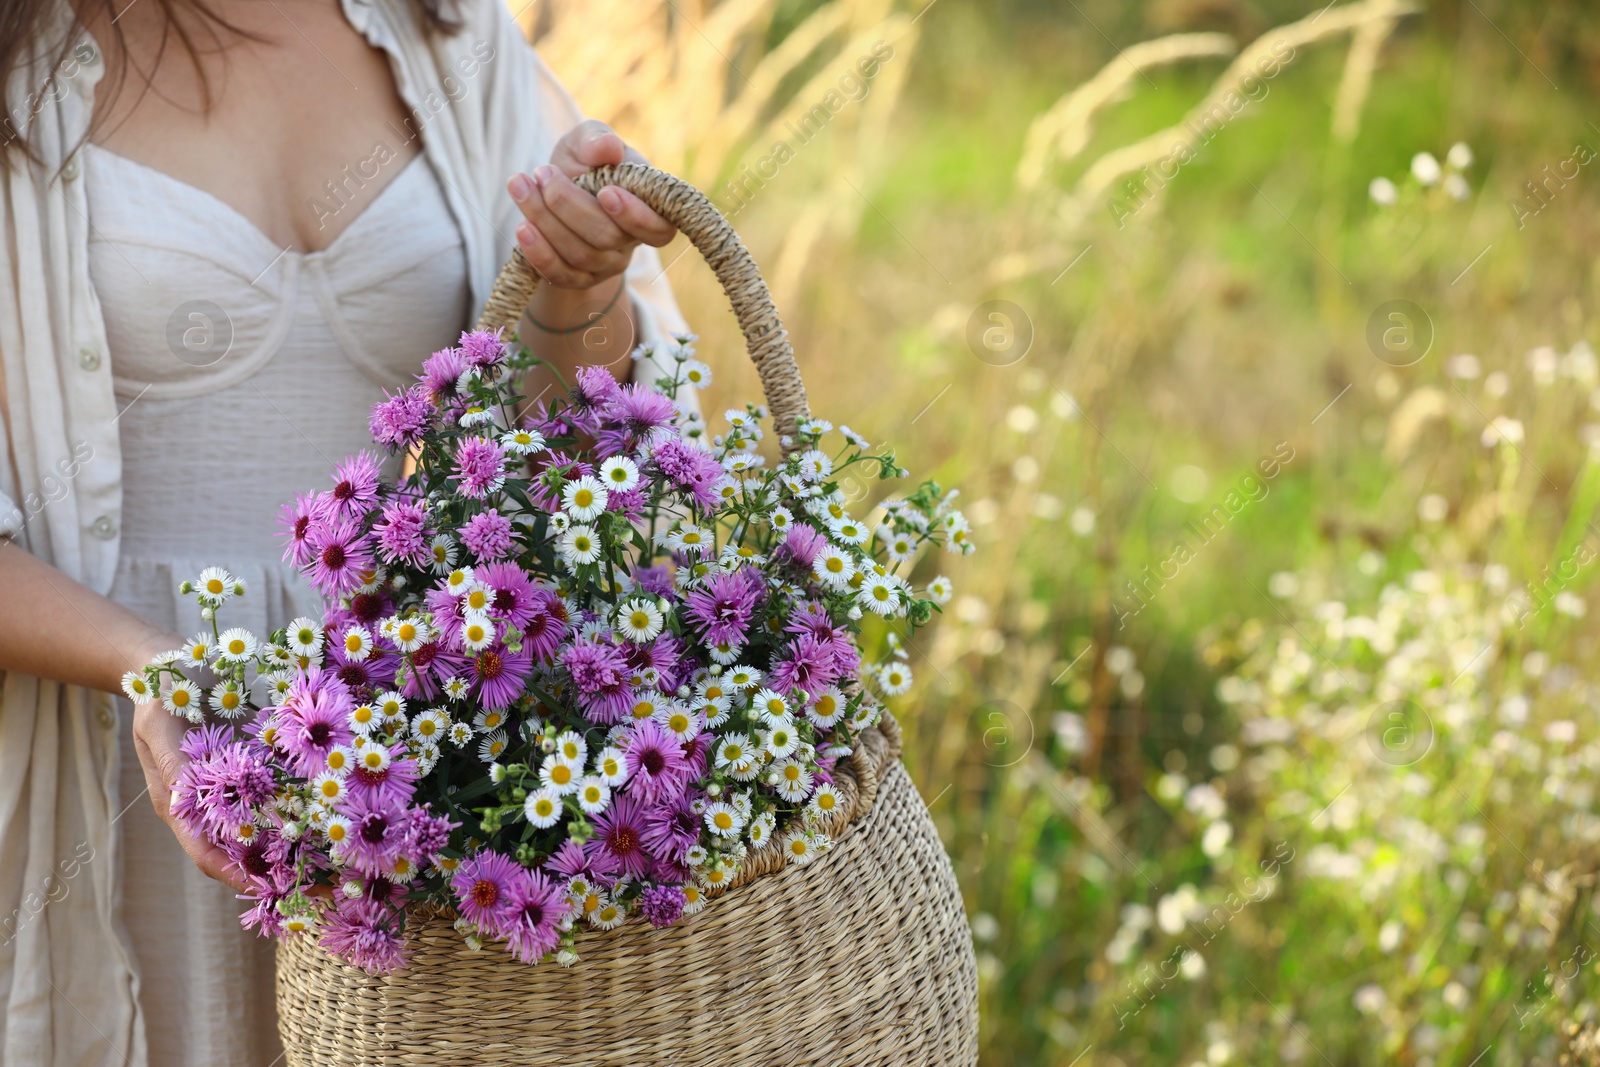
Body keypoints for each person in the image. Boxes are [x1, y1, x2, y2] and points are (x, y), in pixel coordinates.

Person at [0, 0, 689, 1060]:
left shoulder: (444, 34)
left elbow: (556, 465)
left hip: (417, 773)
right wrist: (153, 671)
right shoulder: (22, 62)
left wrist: (578, 284)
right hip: (114, 764)